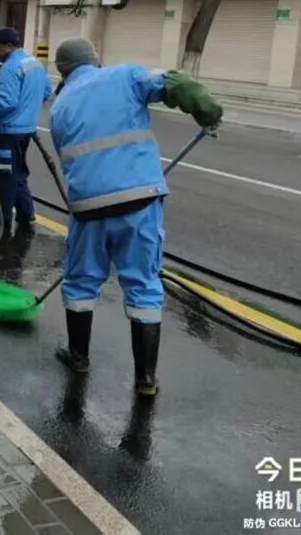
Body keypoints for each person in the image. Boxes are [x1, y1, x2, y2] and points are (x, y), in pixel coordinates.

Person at [48, 37, 223, 396]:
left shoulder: (59, 106)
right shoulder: (125, 76)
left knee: (80, 282)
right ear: (94, 59)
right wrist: (209, 113)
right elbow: (176, 83)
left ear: (63, 71)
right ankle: (145, 379)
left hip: (87, 207)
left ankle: (78, 356)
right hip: (139, 200)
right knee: (143, 284)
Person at [0, 27, 52, 237]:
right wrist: (28, 110)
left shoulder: (10, 68)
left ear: (8, 45)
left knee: (4, 174)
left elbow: (7, 102)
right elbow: (46, 91)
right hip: (26, 130)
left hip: (9, 131)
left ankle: (2, 218)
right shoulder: (34, 63)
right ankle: (26, 213)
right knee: (17, 172)